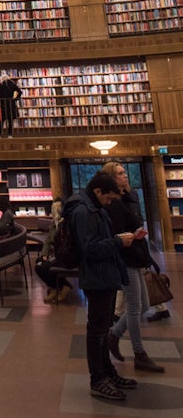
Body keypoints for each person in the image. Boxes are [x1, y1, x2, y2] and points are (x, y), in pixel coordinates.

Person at [65, 171, 139, 402]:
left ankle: (107, 372)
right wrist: (118, 241)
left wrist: (118, 238)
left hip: (105, 275)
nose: (109, 203)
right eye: (107, 198)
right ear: (97, 192)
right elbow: (90, 249)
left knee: (103, 329)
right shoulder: (84, 212)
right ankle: (97, 379)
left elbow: (98, 240)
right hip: (96, 278)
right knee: (96, 331)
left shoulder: (95, 209)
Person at [103, 160, 164, 373]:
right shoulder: (114, 204)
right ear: (112, 178)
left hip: (137, 255)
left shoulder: (128, 197)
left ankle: (114, 334)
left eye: (124, 173)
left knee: (145, 305)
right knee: (135, 307)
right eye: (120, 173)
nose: (125, 176)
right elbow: (119, 232)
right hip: (127, 258)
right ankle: (139, 353)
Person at [35, 197, 72, 303]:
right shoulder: (53, 223)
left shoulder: (65, 224)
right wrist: (44, 254)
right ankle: (56, 287)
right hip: (54, 253)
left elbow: (61, 242)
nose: (55, 211)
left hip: (63, 255)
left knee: (42, 267)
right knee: (39, 262)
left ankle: (62, 287)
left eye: (57, 208)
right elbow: (47, 241)